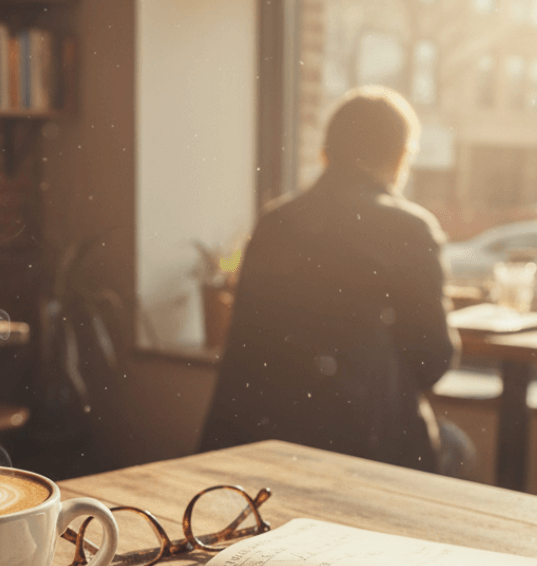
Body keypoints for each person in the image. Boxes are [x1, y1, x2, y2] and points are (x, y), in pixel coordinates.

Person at [200, 86, 469, 474]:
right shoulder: (409, 228)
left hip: (265, 449)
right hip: (364, 451)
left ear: (326, 153)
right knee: (459, 448)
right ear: (400, 159)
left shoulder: (275, 221)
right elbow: (433, 361)